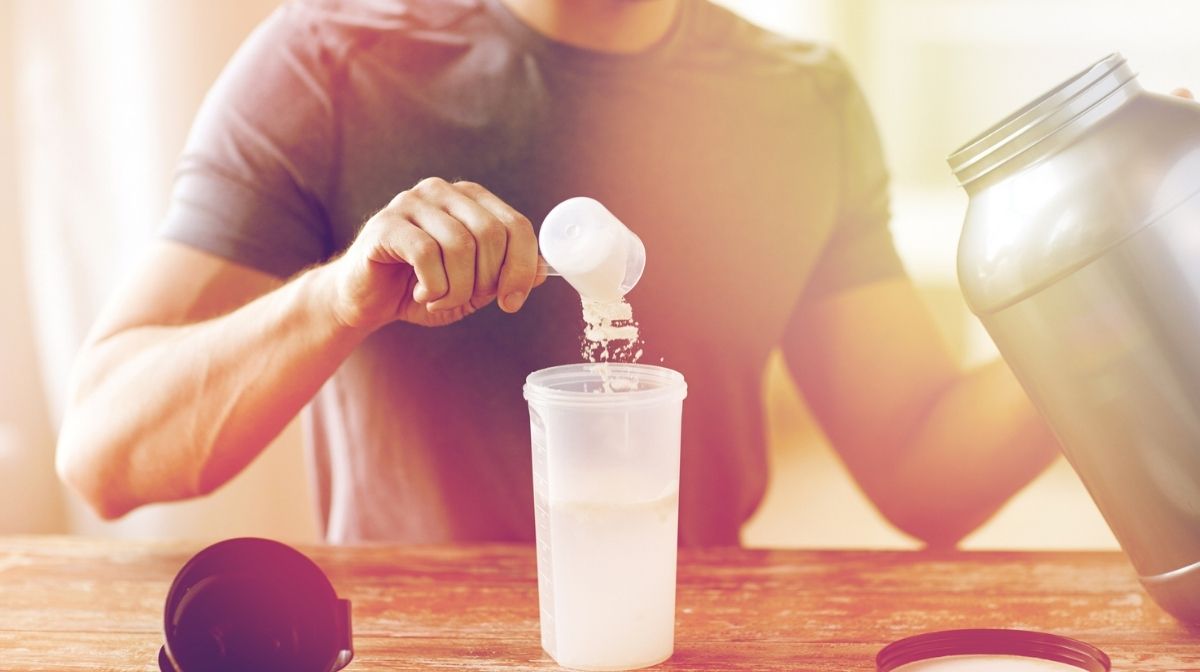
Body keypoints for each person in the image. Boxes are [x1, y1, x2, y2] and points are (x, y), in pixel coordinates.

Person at [56, 0, 1067, 547]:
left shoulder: (802, 101)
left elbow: (923, 466)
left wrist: (1118, 297)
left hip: (690, 645)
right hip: (418, 652)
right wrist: (337, 296)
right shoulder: (330, 63)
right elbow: (102, 454)